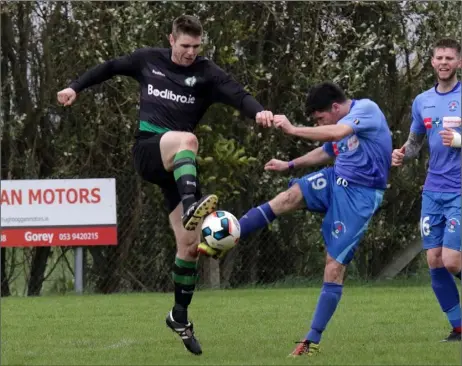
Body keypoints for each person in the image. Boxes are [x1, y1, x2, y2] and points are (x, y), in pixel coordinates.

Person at [56, 15, 274, 355]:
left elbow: (239, 94)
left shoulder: (207, 73)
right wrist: (75, 86)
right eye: (185, 45)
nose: (190, 52)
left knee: (189, 247)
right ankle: (191, 205)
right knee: (187, 139)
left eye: (196, 46)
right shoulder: (148, 60)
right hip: (149, 151)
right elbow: (110, 67)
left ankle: (179, 315)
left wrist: (259, 111)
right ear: (171, 39)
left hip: (178, 169)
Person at [200, 81, 392, 355]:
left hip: (360, 197)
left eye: (319, 118)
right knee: (287, 197)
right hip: (336, 180)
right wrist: (289, 164)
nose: (318, 123)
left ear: (335, 107)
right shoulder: (340, 125)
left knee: (334, 267)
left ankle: (310, 340)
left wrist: (292, 129)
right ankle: (228, 237)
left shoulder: (366, 111)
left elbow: (338, 131)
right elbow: (327, 151)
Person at [391, 38, 461, 342]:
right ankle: (458, 328)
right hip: (433, 190)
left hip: (460, 190)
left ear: (459, 62)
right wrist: (401, 154)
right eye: (439, 57)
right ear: (432, 62)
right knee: (434, 260)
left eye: (449, 57)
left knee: (451, 260)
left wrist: (458, 141)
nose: (444, 62)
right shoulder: (422, 101)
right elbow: (416, 143)